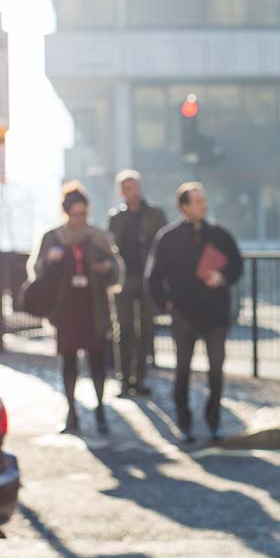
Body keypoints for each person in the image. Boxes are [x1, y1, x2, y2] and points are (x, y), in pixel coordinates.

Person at [145, 182, 243, 445]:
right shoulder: (168, 237)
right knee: (183, 372)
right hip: (184, 315)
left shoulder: (220, 235)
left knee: (216, 372)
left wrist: (221, 277)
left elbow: (237, 266)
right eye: (198, 202)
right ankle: (184, 423)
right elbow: (152, 278)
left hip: (215, 314)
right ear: (184, 206)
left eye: (204, 201)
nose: (204, 206)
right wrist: (166, 304)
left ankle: (214, 423)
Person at [27, 182, 124, 434]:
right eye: (76, 214)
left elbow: (116, 270)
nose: (80, 219)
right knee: (68, 360)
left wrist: (106, 270)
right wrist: (49, 261)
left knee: (97, 361)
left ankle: (101, 409)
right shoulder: (53, 237)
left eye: (84, 214)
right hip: (65, 307)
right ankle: (72, 412)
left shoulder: (97, 236)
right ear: (67, 212)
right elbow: (37, 270)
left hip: (94, 306)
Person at [107, 169, 167, 397]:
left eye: (133, 187)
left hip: (148, 278)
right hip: (124, 279)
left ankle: (139, 379)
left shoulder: (154, 214)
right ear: (121, 191)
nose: (130, 192)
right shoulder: (116, 217)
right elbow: (110, 247)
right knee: (123, 330)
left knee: (146, 330)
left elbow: (163, 244)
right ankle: (123, 380)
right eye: (126, 188)